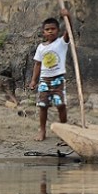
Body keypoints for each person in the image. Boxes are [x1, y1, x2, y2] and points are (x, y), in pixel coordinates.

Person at [28, 8, 71, 141]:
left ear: (57, 31)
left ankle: (65, 130)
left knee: (60, 105)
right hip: (44, 80)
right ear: (43, 32)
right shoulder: (41, 47)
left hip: (58, 80)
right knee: (43, 106)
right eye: (47, 29)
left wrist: (67, 17)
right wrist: (34, 80)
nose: (50, 31)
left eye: (53, 29)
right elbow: (38, 64)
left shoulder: (61, 43)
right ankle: (42, 130)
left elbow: (69, 32)